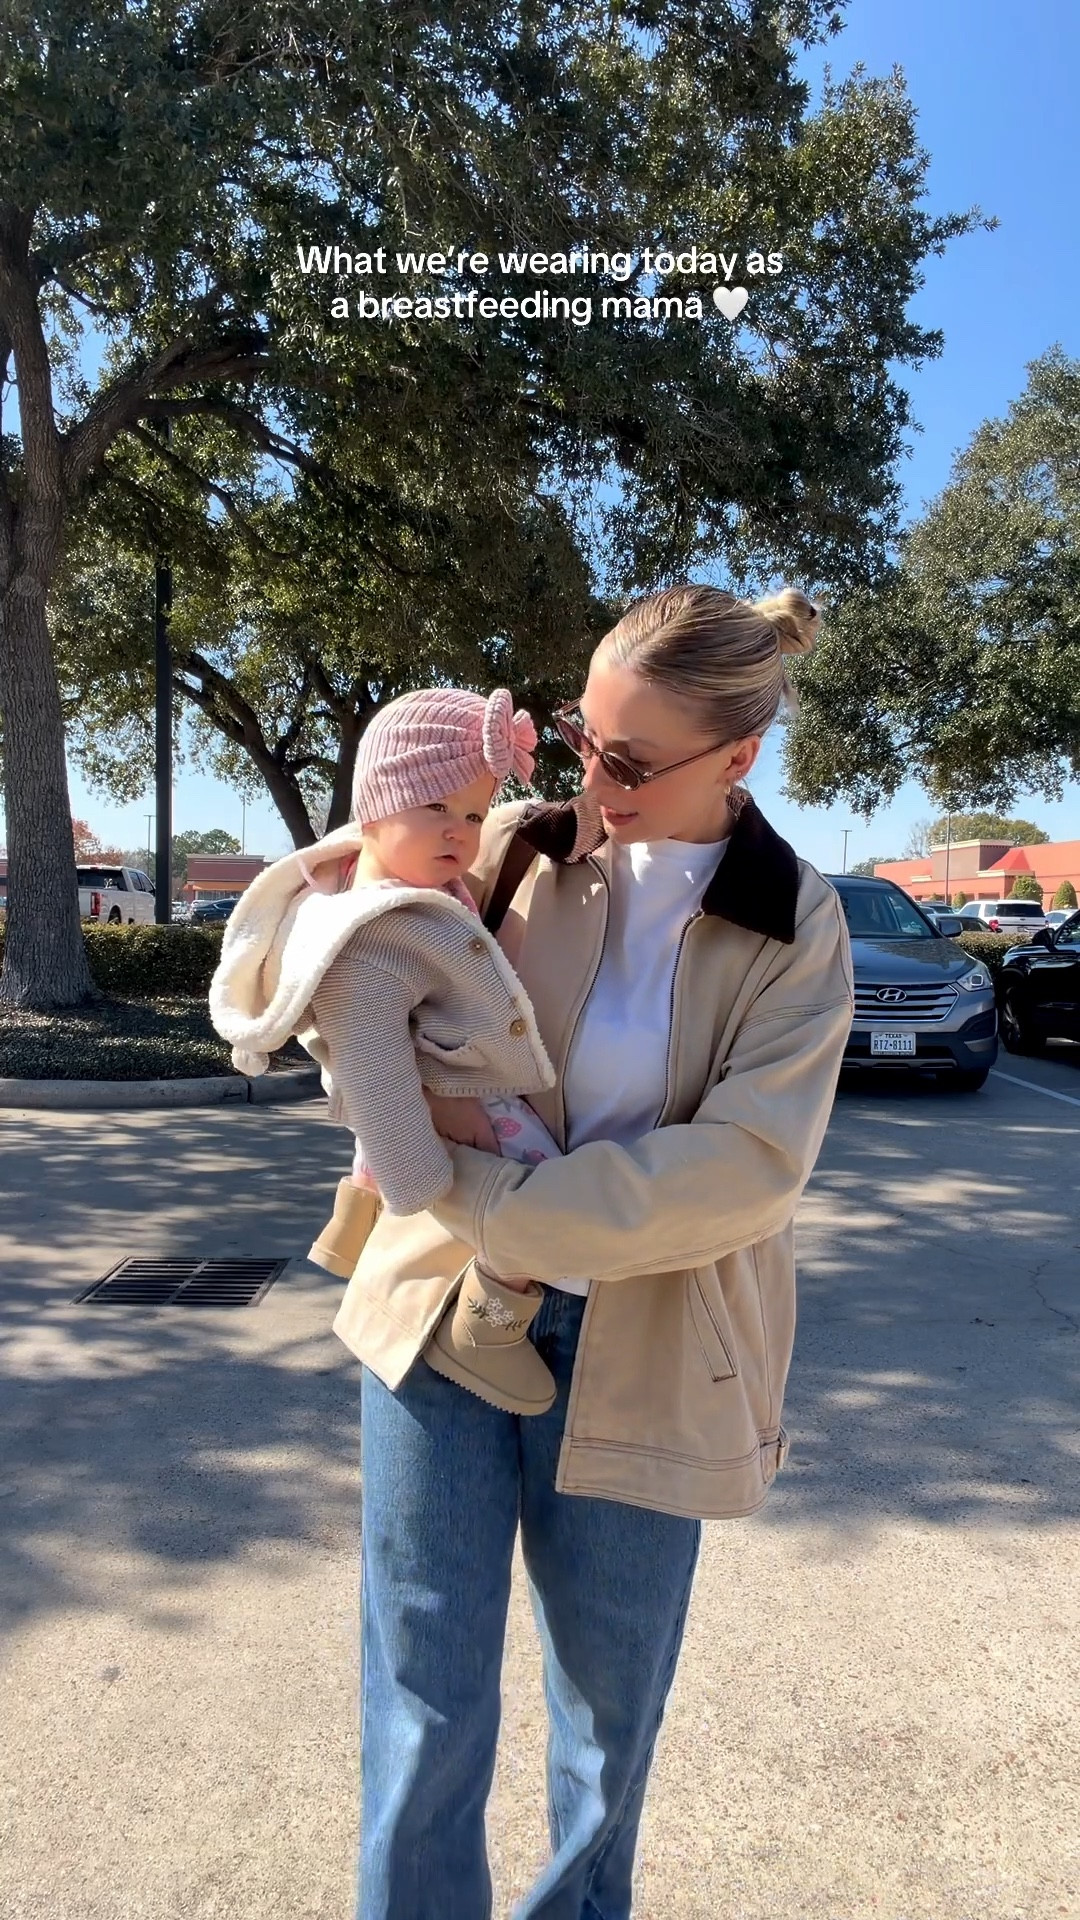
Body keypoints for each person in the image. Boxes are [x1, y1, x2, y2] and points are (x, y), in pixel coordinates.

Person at [328, 584, 855, 1920]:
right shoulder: (511, 848)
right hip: (440, 1325)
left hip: (650, 1351)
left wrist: (500, 1207)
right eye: (582, 741)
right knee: (423, 1697)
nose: (592, 781)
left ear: (737, 759)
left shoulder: (799, 925)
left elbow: (745, 1169)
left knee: (607, 1729)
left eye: (628, 761)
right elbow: (354, 934)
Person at [208, 685, 590, 1416]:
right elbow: (378, 1078)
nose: (462, 832)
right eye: (438, 809)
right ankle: (491, 1323)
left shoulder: (391, 877)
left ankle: (350, 1228)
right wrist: (423, 1179)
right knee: (539, 1208)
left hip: (447, 1080)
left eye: (475, 814)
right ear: (376, 806)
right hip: (461, 1102)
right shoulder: (371, 937)